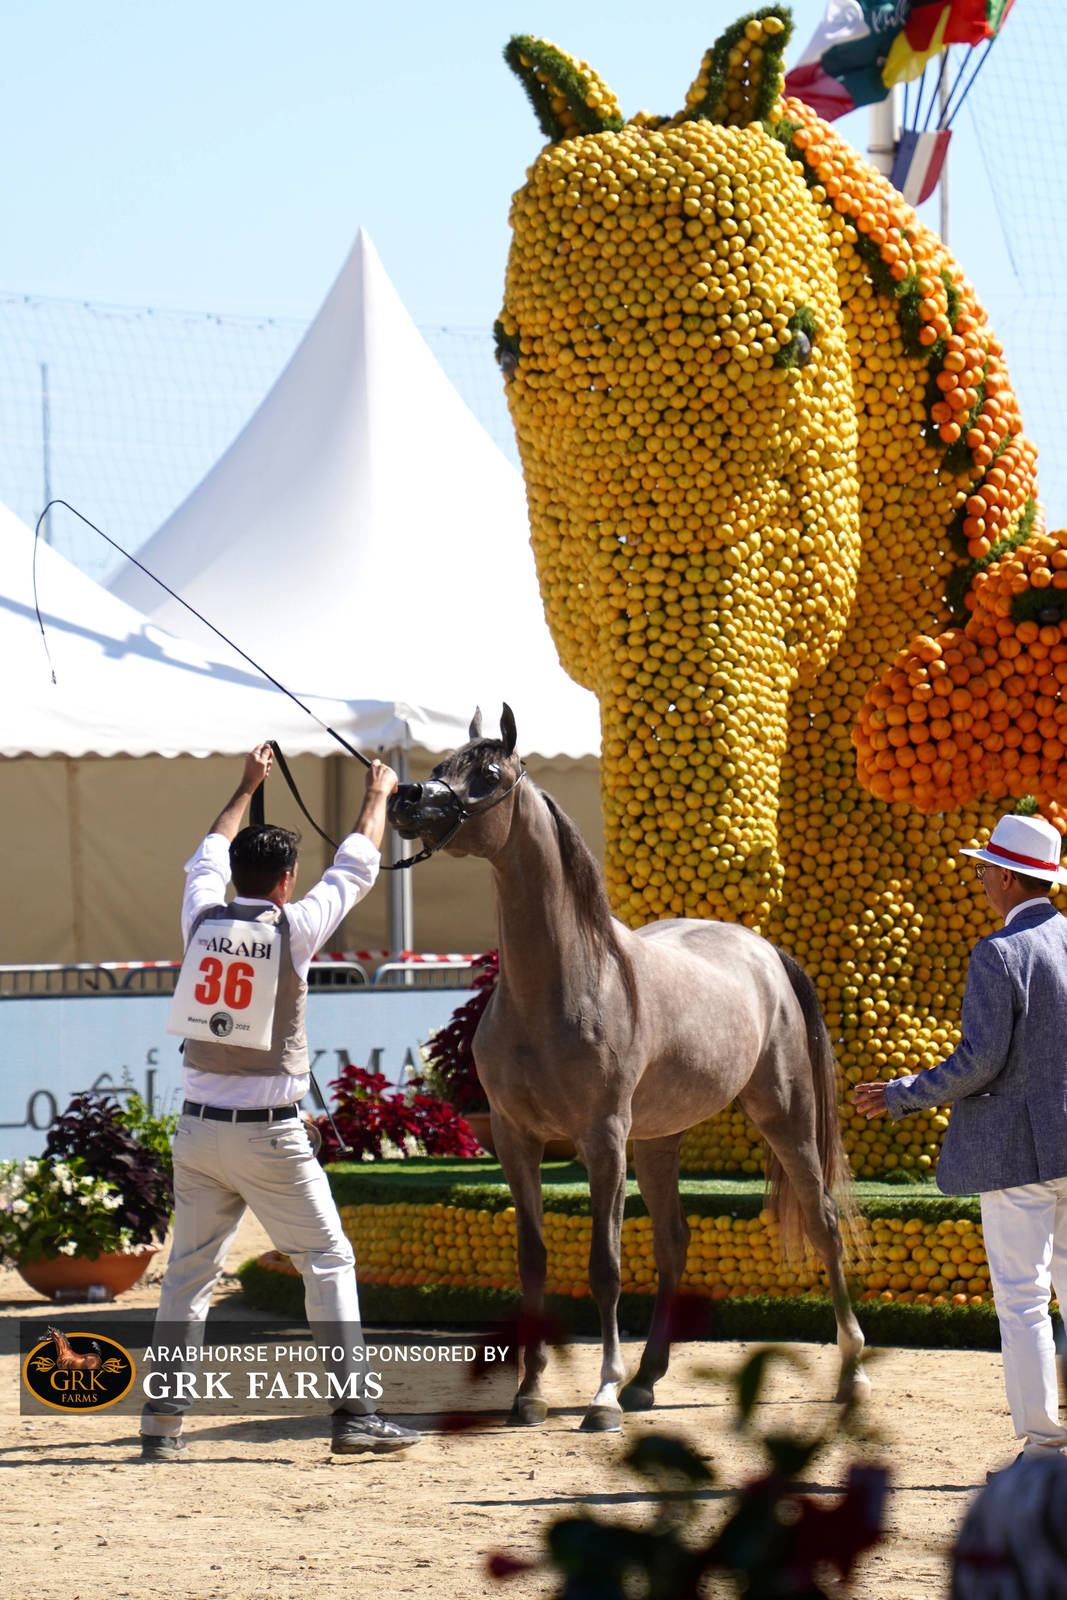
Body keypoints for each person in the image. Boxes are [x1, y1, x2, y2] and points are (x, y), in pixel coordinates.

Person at [140, 743, 420, 1461]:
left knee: (188, 1276)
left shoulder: (201, 916)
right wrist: (379, 792)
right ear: (287, 880)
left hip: (198, 1129)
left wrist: (246, 784)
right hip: (270, 1136)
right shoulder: (293, 928)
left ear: (237, 873)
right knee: (326, 1261)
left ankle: (163, 1424)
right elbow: (357, 862)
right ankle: (354, 1413)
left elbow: (206, 850)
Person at [852, 811, 1067, 1472]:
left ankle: (1042, 1446)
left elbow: (977, 1063)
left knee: (1023, 1301)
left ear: (1007, 876)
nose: (977, 878)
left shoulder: (997, 953)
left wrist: (898, 1093)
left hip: (1016, 1154)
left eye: (982, 868)